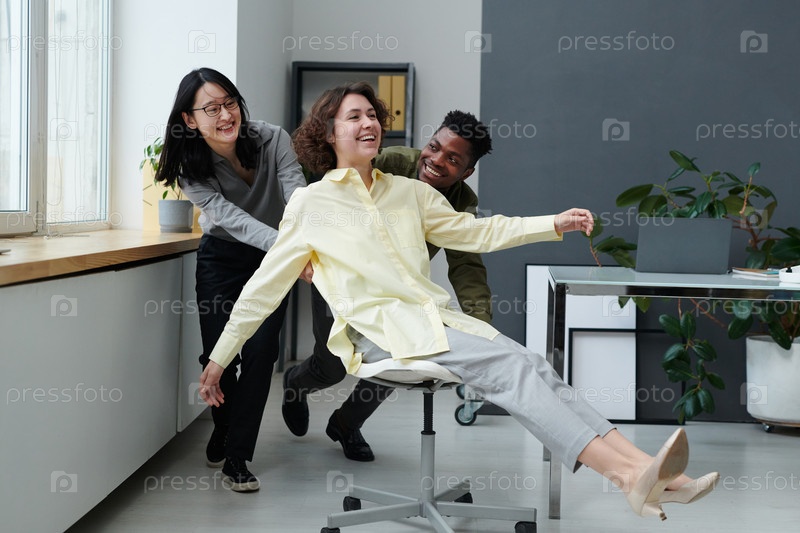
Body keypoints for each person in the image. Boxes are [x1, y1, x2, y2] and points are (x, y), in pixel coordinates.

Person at [197, 81, 718, 518]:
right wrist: (219, 361)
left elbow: (478, 234)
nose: (368, 123)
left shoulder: (412, 193)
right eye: (353, 117)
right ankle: (628, 478)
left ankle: (653, 475)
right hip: (379, 333)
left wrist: (552, 224)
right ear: (329, 133)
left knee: (533, 364)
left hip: (430, 321)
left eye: (372, 115)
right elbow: (262, 289)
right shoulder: (311, 204)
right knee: (512, 369)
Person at [280, 111, 494, 462]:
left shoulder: (460, 203)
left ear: (466, 172)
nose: (436, 161)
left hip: (393, 291)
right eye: (434, 147)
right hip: (340, 277)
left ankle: (346, 424)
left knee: (401, 353)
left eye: (453, 159)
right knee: (332, 365)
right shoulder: (391, 163)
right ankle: (295, 384)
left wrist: (482, 329)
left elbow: (467, 266)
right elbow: (323, 186)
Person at [155, 68, 308, 492]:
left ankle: (238, 457)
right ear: (189, 119)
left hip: (275, 258)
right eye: (211, 109)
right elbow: (231, 219)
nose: (225, 115)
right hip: (222, 257)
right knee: (219, 354)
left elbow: (298, 195)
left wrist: (297, 246)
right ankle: (223, 427)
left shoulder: (273, 138)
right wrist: (285, 248)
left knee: (261, 351)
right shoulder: (190, 167)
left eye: (230, 103)